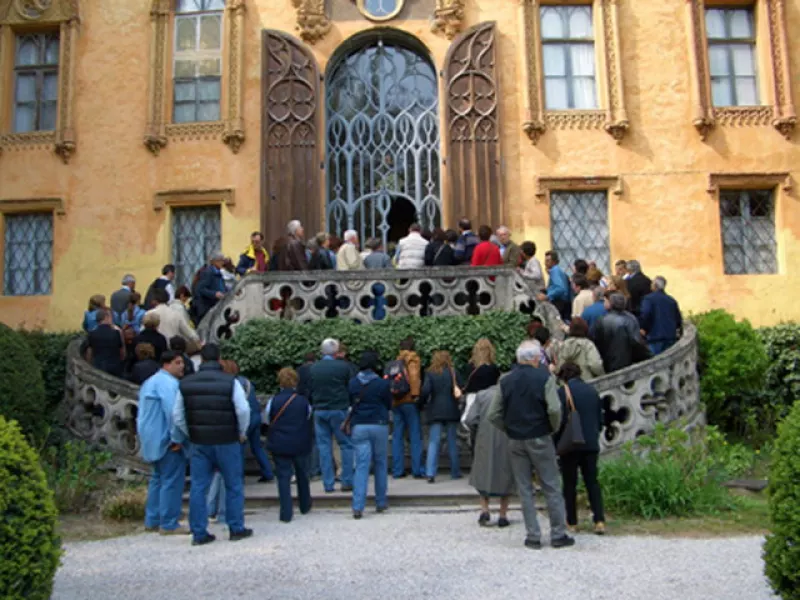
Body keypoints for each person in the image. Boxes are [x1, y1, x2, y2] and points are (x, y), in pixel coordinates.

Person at [487, 340, 574, 550]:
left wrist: (508, 428)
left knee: (525, 489)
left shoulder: (506, 381)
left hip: (516, 438)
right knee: (551, 485)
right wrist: (551, 428)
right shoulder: (545, 377)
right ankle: (557, 533)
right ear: (535, 358)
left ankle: (533, 536)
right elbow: (554, 409)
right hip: (540, 435)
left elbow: (493, 414)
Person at [173, 344, 252, 546]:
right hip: (227, 439)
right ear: (219, 359)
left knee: (199, 487)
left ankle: (199, 532)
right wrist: (240, 432)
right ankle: (236, 527)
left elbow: (177, 415)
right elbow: (243, 410)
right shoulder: (230, 382)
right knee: (233, 485)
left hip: (200, 441)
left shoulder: (186, 383)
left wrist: (190, 432)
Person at [137, 350, 188, 535]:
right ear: (166, 364)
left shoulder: (150, 382)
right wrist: (177, 438)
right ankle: (168, 522)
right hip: (165, 439)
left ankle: (152, 519)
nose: (182, 366)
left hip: (151, 439)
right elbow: (174, 413)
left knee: (157, 480)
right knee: (171, 480)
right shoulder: (169, 384)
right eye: (178, 362)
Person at [555, 362, 606, 535]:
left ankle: (572, 521)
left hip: (570, 443)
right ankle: (599, 520)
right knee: (592, 481)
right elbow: (600, 418)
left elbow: (559, 420)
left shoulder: (562, 393)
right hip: (591, 443)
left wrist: (556, 441)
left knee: (570, 483)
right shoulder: (592, 391)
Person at [348, 351, 393, 519]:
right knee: (381, 462)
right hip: (379, 424)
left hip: (359, 425)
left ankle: (358, 506)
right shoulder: (382, 384)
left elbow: (349, 402)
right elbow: (389, 404)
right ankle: (380, 502)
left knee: (361, 465)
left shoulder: (353, 383)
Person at [265, 367, 313, 523]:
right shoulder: (303, 401)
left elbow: (267, 419)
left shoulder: (273, 400)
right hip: (299, 441)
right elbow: (308, 416)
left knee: (283, 478)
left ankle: (286, 512)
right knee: (302, 474)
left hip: (280, 442)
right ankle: (305, 505)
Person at [465, 381, 514, 528]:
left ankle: (485, 510)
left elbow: (470, 419)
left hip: (484, 437)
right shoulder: (510, 395)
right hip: (507, 438)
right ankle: (503, 514)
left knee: (483, 473)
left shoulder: (482, 395)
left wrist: (476, 431)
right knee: (507, 474)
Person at [310, 338, 355, 493]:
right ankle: (346, 480)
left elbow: (309, 389)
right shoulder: (343, 367)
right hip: (339, 408)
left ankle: (328, 483)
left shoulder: (313, 368)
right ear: (336, 352)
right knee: (346, 444)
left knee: (323, 447)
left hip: (319, 409)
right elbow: (351, 387)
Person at [219, 360, 274, 484]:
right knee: (257, 447)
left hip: (245, 419)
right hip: (255, 416)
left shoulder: (233, 383)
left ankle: (239, 476)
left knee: (239, 449)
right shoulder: (246, 381)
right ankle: (268, 472)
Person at [421, 350, 463, 483]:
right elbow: (461, 387)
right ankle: (455, 471)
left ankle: (430, 473)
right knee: (452, 441)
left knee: (434, 442)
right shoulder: (453, 372)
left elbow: (426, 390)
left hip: (436, 410)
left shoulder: (430, 373)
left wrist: (421, 403)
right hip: (451, 409)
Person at [591, 292, 651, 373]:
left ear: (611, 304)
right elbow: (636, 342)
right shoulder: (631, 318)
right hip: (628, 361)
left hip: (608, 361)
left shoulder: (601, 320)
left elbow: (595, 340)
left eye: (606, 301)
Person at [391, 337, 424, 479]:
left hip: (396, 400)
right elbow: (414, 376)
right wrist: (416, 394)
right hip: (409, 400)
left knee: (397, 435)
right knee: (415, 435)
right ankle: (417, 469)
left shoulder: (395, 361)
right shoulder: (413, 359)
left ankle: (398, 470)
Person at [639, 276, 683, 355]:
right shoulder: (671, 300)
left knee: (655, 362)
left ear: (655, 285)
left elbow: (646, 314)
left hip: (654, 336)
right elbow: (678, 319)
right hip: (670, 336)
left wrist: (643, 328)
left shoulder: (648, 299)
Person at [86, 309, 125, 377]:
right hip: (114, 368)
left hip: (98, 367)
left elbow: (89, 354)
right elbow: (123, 353)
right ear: (106, 317)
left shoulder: (92, 334)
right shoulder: (116, 333)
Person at [193, 252, 227, 321]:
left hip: (216, 306)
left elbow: (222, 287)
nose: (223, 263)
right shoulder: (208, 272)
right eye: (221, 260)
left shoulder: (219, 273)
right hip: (207, 308)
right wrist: (214, 294)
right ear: (214, 261)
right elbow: (200, 289)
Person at [542, 250, 571, 322]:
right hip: (564, 303)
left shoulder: (554, 270)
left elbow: (560, 288)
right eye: (545, 260)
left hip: (558, 302)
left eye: (548, 260)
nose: (545, 263)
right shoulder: (558, 270)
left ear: (554, 261)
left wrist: (547, 296)